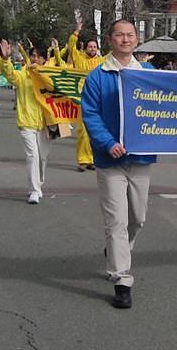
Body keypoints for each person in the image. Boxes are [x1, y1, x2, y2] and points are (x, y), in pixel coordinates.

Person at [80, 18, 154, 310]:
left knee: (137, 218)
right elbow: (91, 115)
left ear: (136, 39)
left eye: (130, 35)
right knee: (116, 221)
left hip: (141, 158)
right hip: (110, 160)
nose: (125, 39)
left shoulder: (149, 72)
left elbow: (170, 104)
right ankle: (121, 278)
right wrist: (108, 142)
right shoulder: (98, 76)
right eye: (119, 35)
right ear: (110, 39)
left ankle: (116, 249)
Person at [0, 40, 52, 202]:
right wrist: (6, 59)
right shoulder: (23, 74)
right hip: (26, 121)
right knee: (32, 155)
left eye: (38, 57)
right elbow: (10, 75)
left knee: (42, 157)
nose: (35, 59)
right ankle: (33, 190)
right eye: (32, 56)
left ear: (44, 59)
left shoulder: (50, 75)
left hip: (46, 124)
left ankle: (38, 184)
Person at [67, 17, 103, 171]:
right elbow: (70, 46)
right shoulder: (79, 58)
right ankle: (82, 160)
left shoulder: (101, 61)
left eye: (94, 47)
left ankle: (92, 160)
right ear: (86, 47)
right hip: (83, 98)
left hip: (98, 99)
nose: (92, 49)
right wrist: (77, 30)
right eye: (90, 46)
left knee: (94, 131)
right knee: (82, 131)